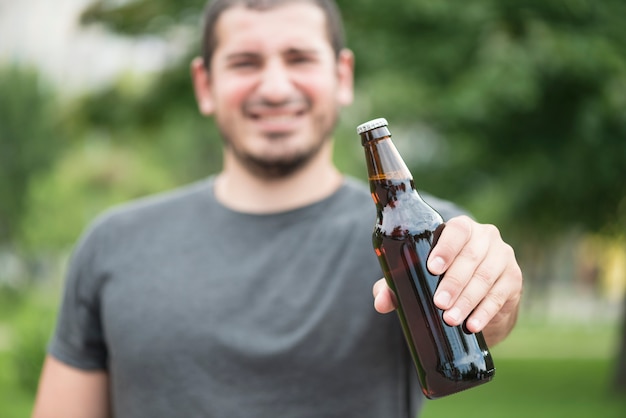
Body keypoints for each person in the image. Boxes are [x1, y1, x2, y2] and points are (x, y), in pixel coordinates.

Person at [32, 0, 523, 417]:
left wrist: (494, 292)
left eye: (299, 58)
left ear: (342, 75)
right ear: (205, 84)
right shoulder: (113, 244)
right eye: (245, 62)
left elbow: (486, 313)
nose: (274, 86)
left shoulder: (426, 231)